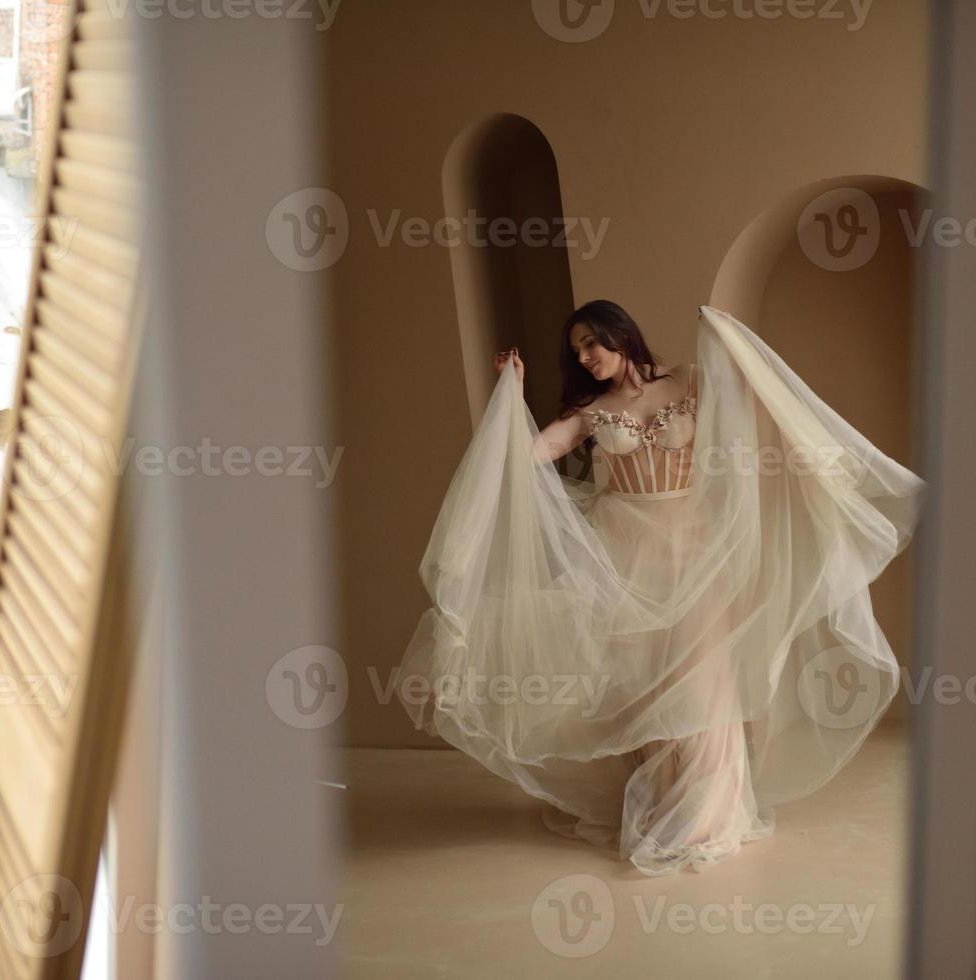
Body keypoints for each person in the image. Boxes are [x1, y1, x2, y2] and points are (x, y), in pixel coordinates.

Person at [396, 301, 927, 876]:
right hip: (624, 555)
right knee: (647, 684)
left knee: (704, 679)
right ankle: (663, 799)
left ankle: (706, 813)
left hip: (696, 550)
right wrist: (511, 395)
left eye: (591, 343)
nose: (584, 356)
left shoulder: (691, 383)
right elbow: (531, 455)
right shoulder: (590, 409)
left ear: (620, 335)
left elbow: (759, 401)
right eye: (576, 350)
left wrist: (726, 338)